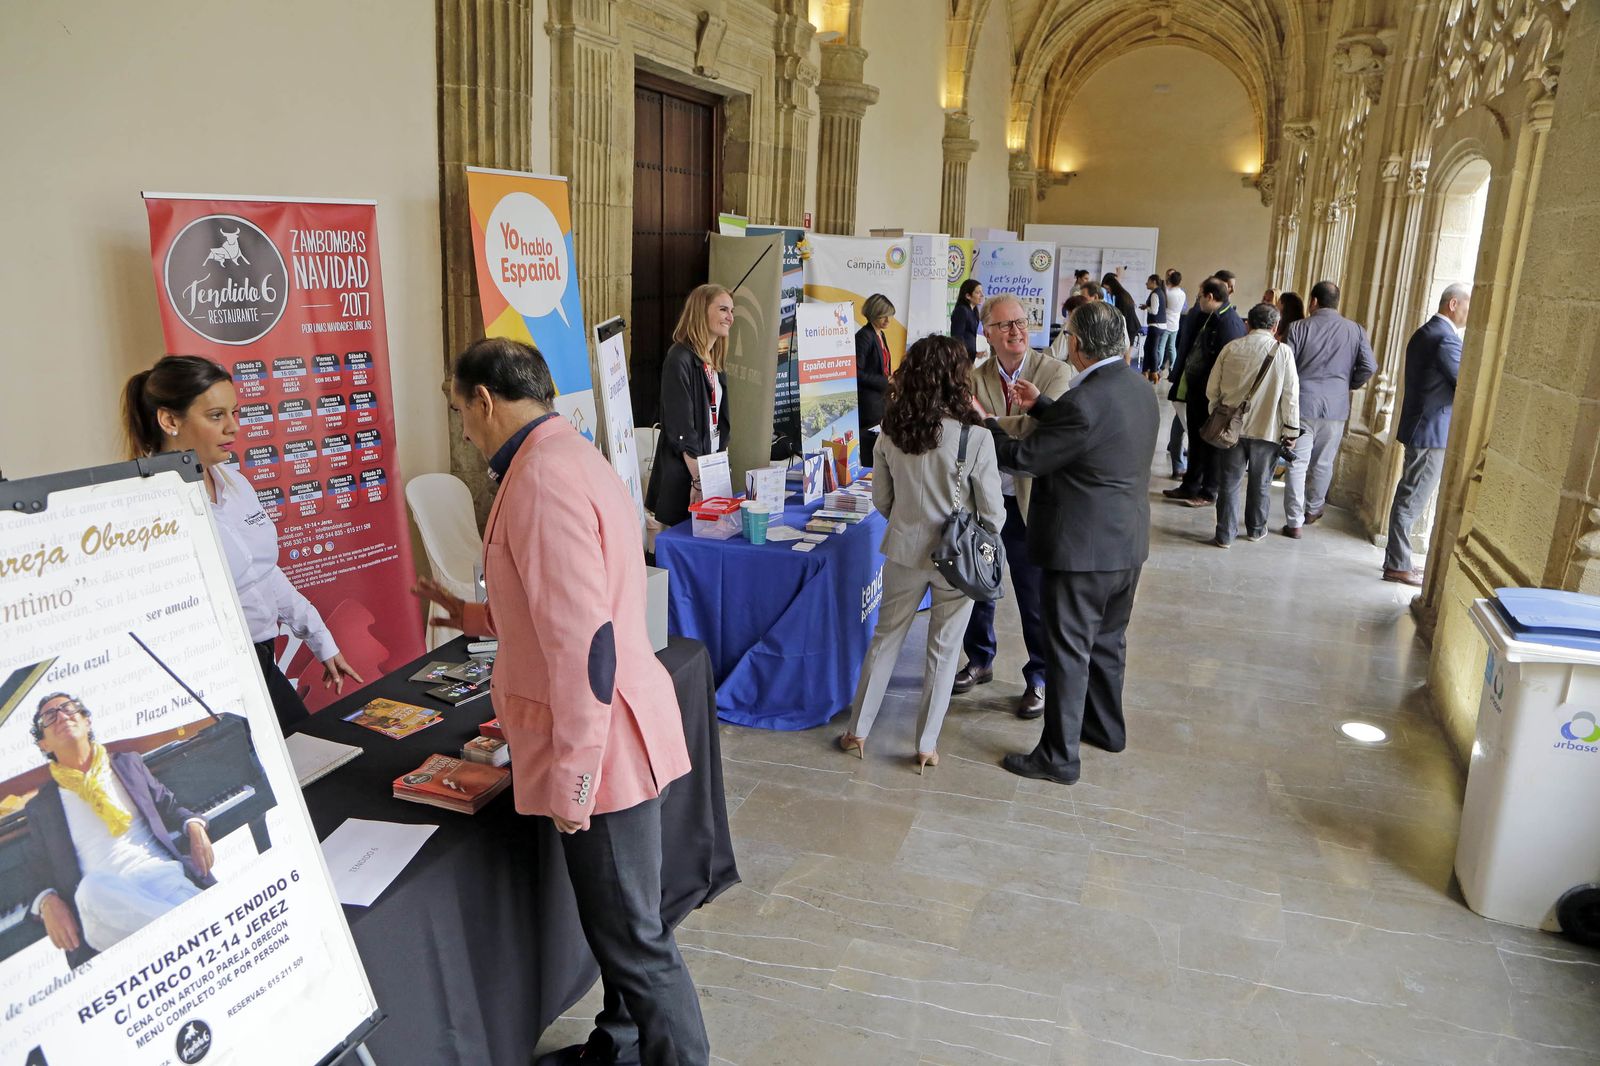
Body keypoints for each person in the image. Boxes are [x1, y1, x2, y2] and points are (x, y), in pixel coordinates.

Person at [416, 338, 708, 1066]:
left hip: (603, 750)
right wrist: (474, 614)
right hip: (623, 729)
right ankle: (619, 1046)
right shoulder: (571, 454)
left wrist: (576, 777)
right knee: (629, 928)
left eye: (461, 413)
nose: (465, 430)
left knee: (636, 942)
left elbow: (586, 647)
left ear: (485, 400)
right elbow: (563, 602)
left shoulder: (540, 478)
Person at [123, 356, 361, 734]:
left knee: (311, 751)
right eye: (216, 415)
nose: (234, 427)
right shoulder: (147, 510)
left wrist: (320, 638)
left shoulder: (234, 482)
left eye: (234, 412)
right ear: (169, 421)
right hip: (214, 681)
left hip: (262, 660)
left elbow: (262, 573)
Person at [979, 301, 1160, 785]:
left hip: (1081, 549)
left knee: (1068, 650)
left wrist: (981, 427)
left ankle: (1058, 757)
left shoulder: (1085, 401)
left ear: (1075, 345)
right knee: (1107, 642)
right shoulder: (1136, 387)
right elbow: (1090, 431)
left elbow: (1027, 458)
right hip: (1126, 544)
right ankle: (1105, 728)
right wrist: (1041, 405)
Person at [837, 335, 1003, 770]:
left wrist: (909, 521)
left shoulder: (893, 431)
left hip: (903, 552)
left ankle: (858, 731)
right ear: (957, 377)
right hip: (958, 561)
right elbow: (992, 512)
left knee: (885, 640)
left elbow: (881, 499)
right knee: (944, 653)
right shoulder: (975, 438)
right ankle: (926, 745)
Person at [23, 692, 216, 967]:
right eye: (49, 716)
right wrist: (46, 901)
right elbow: (35, 871)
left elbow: (170, 807)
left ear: (87, 721)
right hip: (103, 908)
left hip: (161, 878)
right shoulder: (43, 806)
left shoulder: (127, 764)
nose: (62, 716)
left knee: (175, 893)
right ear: (44, 743)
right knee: (90, 889)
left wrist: (195, 826)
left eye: (68, 709)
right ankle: (198, 929)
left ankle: (184, 932)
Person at [955, 294, 1074, 717]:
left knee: (1033, 596)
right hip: (985, 503)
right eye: (1005, 325)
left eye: (1021, 322)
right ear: (986, 332)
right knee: (978, 586)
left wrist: (988, 421)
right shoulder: (973, 375)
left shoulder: (1055, 372)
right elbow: (962, 428)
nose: (1016, 331)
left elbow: (1041, 428)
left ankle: (1039, 676)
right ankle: (980, 660)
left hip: (1030, 504)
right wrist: (991, 424)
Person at [1383, 284, 1469, 585]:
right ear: (1454, 304)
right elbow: (1465, 383)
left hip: (1422, 426)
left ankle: (1400, 559)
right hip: (1431, 431)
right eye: (1468, 305)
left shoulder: (1425, 332)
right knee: (1412, 498)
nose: (1470, 312)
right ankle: (1397, 564)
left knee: (1410, 495)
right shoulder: (1445, 339)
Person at [1281, 280, 1377, 538]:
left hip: (1302, 404)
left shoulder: (1298, 327)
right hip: (1336, 407)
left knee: (1297, 463)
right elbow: (1369, 366)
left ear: (1313, 302)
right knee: (1324, 462)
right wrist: (1347, 384)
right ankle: (1313, 509)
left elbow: (1287, 366)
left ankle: (1294, 521)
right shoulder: (1355, 330)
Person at [1205, 304, 1301, 546]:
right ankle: (1256, 529)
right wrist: (1291, 430)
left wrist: (1218, 412)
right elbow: (1290, 395)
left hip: (1230, 430)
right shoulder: (1283, 352)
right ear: (1275, 326)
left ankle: (1225, 534)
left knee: (1229, 482)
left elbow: (1212, 388)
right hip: (1266, 429)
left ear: (1248, 323)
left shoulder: (1231, 348)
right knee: (1261, 482)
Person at [647, 283, 734, 526]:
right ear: (701, 311)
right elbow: (680, 428)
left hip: (711, 470)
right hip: (688, 478)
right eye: (723, 310)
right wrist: (698, 480)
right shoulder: (679, 358)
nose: (730, 317)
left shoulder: (713, 360)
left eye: (732, 311)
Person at [1163, 278, 1245, 506]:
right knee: (1197, 442)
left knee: (1211, 445)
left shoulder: (1229, 323)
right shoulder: (1208, 316)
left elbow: (1226, 365)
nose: (1197, 300)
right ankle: (1190, 485)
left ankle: (1208, 491)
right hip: (1197, 392)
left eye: (1199, 296)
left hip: (1211, 397)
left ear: (1210, 296)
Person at [855, 292, 896, 467]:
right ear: (873, 313)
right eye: (883, 316)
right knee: (871, 448)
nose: (888, 320)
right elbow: (857, 372)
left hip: (881, 401)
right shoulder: (864, 336)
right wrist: (885, 381)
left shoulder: (880, 334)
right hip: (869, 404)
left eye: (890, 316)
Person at [1160, 270, 1189, 472]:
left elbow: (1164, 304)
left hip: (1166, 323)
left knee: (1162, 348)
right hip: (1176, 323)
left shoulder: (1167, 293)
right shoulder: (1182, 294)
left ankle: (1162, 367)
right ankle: (1171, 364)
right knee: (1172, 348)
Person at [1101, 273, 1142, 364]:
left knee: (1127, 354)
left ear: (1112, 286)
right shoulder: (1122, 294)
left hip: (1130, 327)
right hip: (1131, 325)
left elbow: (1122, 316)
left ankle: (1126, 375)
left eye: (1108, 289)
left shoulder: (1121, 297)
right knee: (1125, 353)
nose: (1107, 292)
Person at [1140, 274, 1169, 383]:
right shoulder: (1161, 292)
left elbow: (1154, 311)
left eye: (1148, 281)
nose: (1146, 283)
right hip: (1161, 326)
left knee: (1151, 350)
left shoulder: (1155, 294)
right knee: (1148, 348)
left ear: (1153, 281)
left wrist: (1146, 307)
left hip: (1155, 326)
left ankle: (1154, 372)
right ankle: (1146, 372)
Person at [950, 279, 983, 359]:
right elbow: (957, 337)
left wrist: (975, 353)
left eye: (981, 292)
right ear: (968, 296)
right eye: (978, 293)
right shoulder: (961, 310)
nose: (982, 295)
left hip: (969, 357)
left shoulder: (974, 311)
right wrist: (965, 354)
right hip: (962, 358)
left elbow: (969, 335)